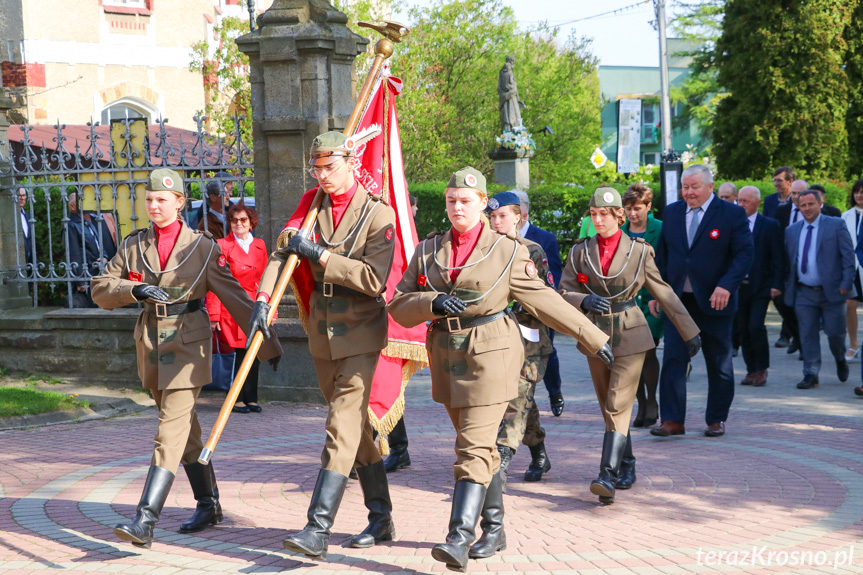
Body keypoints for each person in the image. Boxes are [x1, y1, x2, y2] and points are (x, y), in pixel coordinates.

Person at [388, 167, 612, 571]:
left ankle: (458, 538)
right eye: (452, 200)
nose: (459, 207)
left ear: (483, 204)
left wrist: (594, 337)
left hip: (492, 354)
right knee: (482, 450)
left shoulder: (507, 250)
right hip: (447, 355)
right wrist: (431, 303)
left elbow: (545, 300)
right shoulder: (427, 250)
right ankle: (495, 527)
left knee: (471, 447)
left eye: (467, 201)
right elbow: (399, 304)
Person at [90, 168, 281, 549]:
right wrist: (135, 288)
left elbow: (234, 295)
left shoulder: (203, 246)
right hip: (151, 345)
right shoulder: (134, 244)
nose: (153, 206)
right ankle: (209, 504)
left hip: (189, 345)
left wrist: (267, 340)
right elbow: (101, 288)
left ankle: (145, 519)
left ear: (179, 202)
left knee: (168, 430)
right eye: (149, 200)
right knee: (185, 433)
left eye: (162, 200)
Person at [252, 131, 397, 560]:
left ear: (351, 163)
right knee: (353, 428)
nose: (322, 176)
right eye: (316, 168)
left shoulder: (377, 214)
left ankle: (318, 528)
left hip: (360, 330)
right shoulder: (311, 204)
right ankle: (381, 515)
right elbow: (282, 253)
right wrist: (263, 300)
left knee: (340, 424)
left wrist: (320, 254)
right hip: (321, 329)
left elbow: (373, 279)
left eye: (329, 167)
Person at [560, 187, 699, 504]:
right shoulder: (581, 251)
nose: (598, 220)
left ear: (618, 216)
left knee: (617, 404)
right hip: (594, 334)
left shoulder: (639, 250)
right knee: (609, 408)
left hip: (631, 332)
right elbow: (563, 289)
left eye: (604, 214)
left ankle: (606, 475)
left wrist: (689, 332)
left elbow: (663, 292)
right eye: (593, 214)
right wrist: (583, 299)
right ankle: (628, 464)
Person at [652, 164, 753, 438]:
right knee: (673, 359)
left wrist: (726, 286)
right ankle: (672, 420)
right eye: (685, 186)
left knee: (718, 362)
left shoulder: (731, 214)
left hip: (715, 301)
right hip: (678, 303)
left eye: (695, 186)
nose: (689, 192)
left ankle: (716, 419)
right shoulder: (672, 213)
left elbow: (743, 254)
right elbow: (662, 258)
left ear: (710, 187)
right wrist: (657, 292)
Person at [487, 191, 555, 489]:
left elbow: (546, 297)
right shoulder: (483, 250)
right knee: (520, 399)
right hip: (494, 339)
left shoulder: (532, 251)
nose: (497, 221)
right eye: (492, 216)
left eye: (503, 216)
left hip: (529, 340)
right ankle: (539, 452)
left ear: (518, 217)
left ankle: (500, 461)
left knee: (517, 394)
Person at [783, 189, 855, 390]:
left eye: (810, 204)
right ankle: (811, 373)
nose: (806, 208)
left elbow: (848, 257)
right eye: (802, 205)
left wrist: (846, 283)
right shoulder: (792, 230)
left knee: (835, 334)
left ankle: (840, 358)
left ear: (820, 204)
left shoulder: (835, 225)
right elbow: (789, 261)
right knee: (807, 334)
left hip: (832, 291)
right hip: (804, 291)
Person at [207, 202, 269, 414]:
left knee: (254, 353)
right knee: (236, 355)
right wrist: (213, 315)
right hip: (231, 308)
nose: (238, 224)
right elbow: (215, 282)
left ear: (251, 223)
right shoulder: (222, 245)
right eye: (234, 220)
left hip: (254, 305)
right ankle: (235, 398)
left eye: (243, 220)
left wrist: (271, 309)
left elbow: (265, 280)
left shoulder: (260, 245)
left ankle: (251, 397)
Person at [511, 189, 565, 417]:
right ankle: (524, 407)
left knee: (547, 352)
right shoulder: (499, 237)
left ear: (523, 213)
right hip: (511, 314)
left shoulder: (544, 238)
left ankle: (555, 392)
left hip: (538, 311)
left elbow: (554, 275)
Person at [620, 183, 664, 427]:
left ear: (648, 207)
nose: (632, 214)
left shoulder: (661, 229)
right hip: (627, 301)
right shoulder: (621, 232)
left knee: (648, 351)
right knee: (630, 356)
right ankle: (640, 403)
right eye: (628, 209)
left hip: (652, 300)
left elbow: (667, 262)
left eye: (637, 208)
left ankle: (652, 400)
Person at [735, 186, 783, 386]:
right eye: (739, 200)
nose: (741, 204)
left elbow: (778, 257)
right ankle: (750, 369)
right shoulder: (734, 224)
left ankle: (761, 369)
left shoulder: (770, 226)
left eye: (745, 201)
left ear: (757, 202)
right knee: (743, 328)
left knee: (755, 326)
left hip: (761, 286)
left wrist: (777, 284)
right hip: (738, 286)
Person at [774, 179, 811, 355]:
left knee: (804, 309)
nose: (795, 197)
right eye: (794, 193)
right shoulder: (781, 211)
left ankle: (805, 345)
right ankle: (797, 337)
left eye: (799, 193)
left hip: (807, 268)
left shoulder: (817, 212)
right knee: (783, 304)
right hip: (786, 266)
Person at [66, 191, 109, 308]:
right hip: (87, 272)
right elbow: (73, 253)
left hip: (98, 270)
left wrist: (104, 256)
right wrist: (80, 281)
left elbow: (99, 242)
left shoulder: (87, 222)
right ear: (72, 206)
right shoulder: (71, 225)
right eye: (81, 202)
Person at [841, 180, 863, 363]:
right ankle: (853, 344)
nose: (859, 195)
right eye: (856, 192)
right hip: (851, 268)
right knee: (850, 306)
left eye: (862, 192)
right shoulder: (845, 216)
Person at [17, 187, 33, 268]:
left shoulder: (27, 215)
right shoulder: (10, 216)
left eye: (23, 195)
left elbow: (30, 239)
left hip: (30, 261)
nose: (22, 198)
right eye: (19, 195)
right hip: (17, 261)